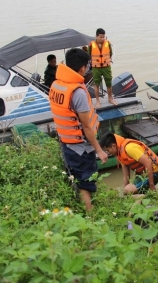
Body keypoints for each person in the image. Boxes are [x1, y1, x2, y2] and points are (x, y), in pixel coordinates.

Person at [48, 48, 108, 211]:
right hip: (81, 149)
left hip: (67, 143)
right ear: (82, 68)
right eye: (87, 65)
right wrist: (99, 150)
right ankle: (91, 218)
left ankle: (89, 210)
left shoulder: (57, 85)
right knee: (85, 184)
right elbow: (87, 127)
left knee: (79, 180)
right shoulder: (78, 93)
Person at [88, 28, 117, 108]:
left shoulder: (108, 43)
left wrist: (107, 61)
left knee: (109, 82)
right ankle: (97, 101)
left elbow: (110, 53)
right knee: (96, 84)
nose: (102, 39)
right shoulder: (91, 44)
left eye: (103, 37)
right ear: (96, 36)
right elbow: (88, 55)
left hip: (106, 67)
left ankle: (110, 98)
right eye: (101, 37)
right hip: (96, 67)